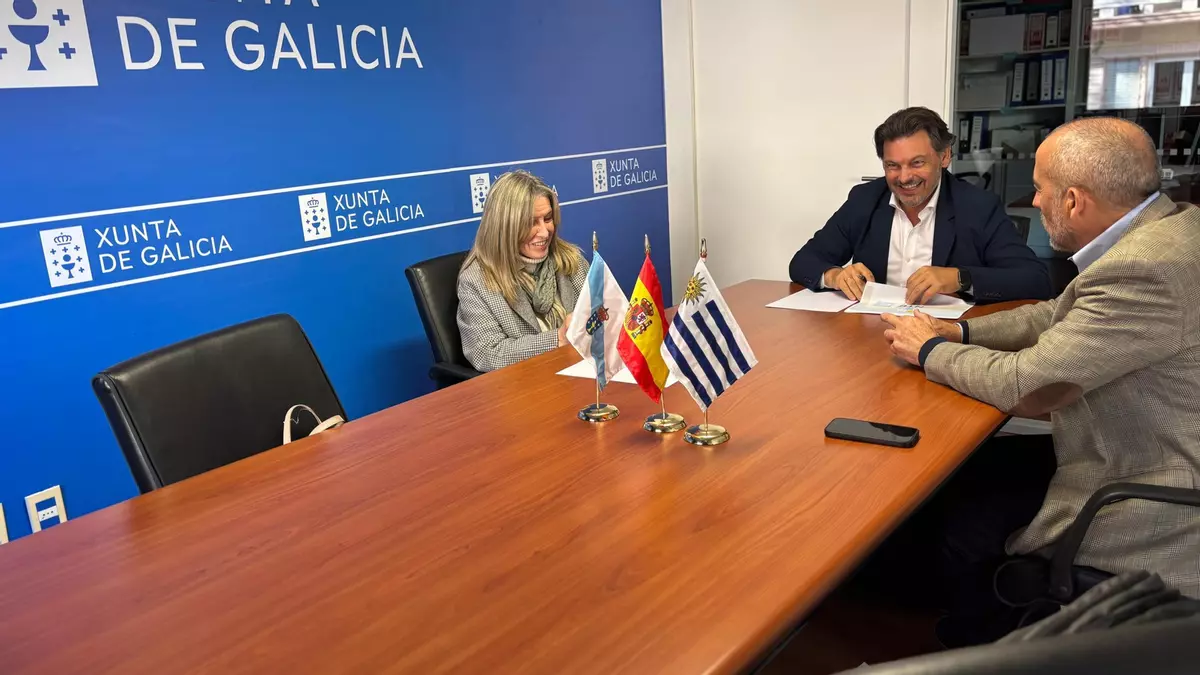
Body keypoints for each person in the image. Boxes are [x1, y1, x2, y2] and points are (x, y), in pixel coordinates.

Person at [881, 117, 1200, 616]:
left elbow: (1029, 386)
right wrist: (959, 332)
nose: (1032, 201)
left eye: (1039, 188)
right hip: (1132, 444)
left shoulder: (1144, 268)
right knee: (965, 469)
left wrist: (927, 350)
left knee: (956, 515)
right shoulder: (1170, 228)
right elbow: (1057, 312)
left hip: (1144, 483)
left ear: (1073, 201)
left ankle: (967, 631)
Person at [789, 107, 1052, 304]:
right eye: (892, 165)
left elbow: (1035, 280)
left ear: (944, 156)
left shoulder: (978, 207)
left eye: (917, 163)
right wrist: (835, 276)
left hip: (944, 340)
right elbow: (802, 262)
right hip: (871, 335)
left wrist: (959, 278)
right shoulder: (865, 199)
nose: (904, 178)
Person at [458, 170, 587, 371]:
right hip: (527, 381)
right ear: (504, 227)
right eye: (531, 223)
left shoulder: (570, 259)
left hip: (582, 371)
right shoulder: (476, 280)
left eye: (548, 219)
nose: (544, 232)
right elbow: (488, 352)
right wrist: (557, 339)